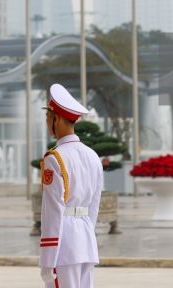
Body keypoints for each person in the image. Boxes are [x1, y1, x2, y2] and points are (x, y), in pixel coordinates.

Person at [39, 83, 103, 288]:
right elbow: (94, 205)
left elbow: (53, 211)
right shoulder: (92, 156)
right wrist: (86, 235)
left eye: (48, 117)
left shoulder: (54, 158)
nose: (46, 122)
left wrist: (47, 260)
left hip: (63, 245)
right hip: (85, 239)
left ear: (55, 118)